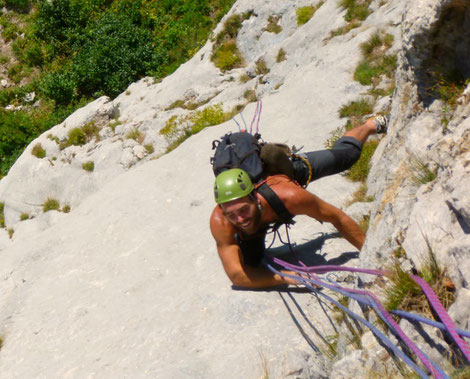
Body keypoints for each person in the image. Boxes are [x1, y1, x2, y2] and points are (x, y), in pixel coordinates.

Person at [210, 116, 389, 288]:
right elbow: (238, 276)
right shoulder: (220, 221)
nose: (240, 219)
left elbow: (337, 217)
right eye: (231, 215)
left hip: (292, 174)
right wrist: (285, 278)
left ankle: (370, 126)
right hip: (256, 227)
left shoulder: (289, 195)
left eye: (243, 210)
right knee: (252, 263)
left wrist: (373, 261)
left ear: (254, 197)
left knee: (348, 155)